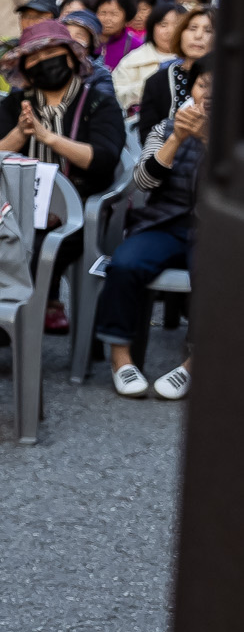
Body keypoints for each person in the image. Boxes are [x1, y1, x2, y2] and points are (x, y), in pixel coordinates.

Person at [99, 66, 208, 401]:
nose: (213, 92)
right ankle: (121, 359)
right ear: (194, 88)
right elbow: (143, 182)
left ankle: (193, 364)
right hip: (164, 223)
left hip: (212, 232)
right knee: (125, 263)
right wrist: (177, 138)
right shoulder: (166, 126)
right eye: (205, 84)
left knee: (217, 276)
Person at [136, 8, 216, 140]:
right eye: (192, 28)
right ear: (180, 33)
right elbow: (147, 134)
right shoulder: (157, 81)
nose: (198, 36)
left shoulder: (230, 79)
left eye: (208, 30)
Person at [115, 0, 191, 114]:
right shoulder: (133, 61)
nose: (170, 31)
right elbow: (116, 95)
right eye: (163, 25)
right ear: (152, 27)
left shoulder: (194, 61)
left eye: (177, 25)